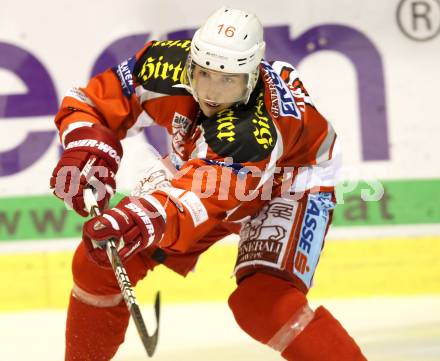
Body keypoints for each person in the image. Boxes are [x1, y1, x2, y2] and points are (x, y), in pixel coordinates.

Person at [50, 6, 367, 361]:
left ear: (251, 77)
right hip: (210, 168)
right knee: (98, 263)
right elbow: (91, 102)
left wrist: (138, 218)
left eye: (228, 80)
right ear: (190, 63)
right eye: (204, 75)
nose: (212, 93)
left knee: (264, 303)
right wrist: (88, 147)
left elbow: (194, 203)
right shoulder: (162, 64)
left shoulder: (252, 131)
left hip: (292, 179)